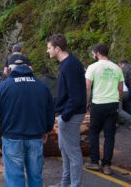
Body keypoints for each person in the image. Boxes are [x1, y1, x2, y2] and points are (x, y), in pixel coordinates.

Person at [0, 56, 55, 186]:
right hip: (35, 137)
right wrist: (47, 129)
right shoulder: (41, 85)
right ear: (30, 68)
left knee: (14, 178)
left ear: (8, 69)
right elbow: (50, 110)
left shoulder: (3, 86)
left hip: (12, 138)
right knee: (35, 176)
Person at [46, 34, 86, 187]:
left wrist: (65, 116)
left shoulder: (70, 65)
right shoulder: (67, 63)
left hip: (72, 115)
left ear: (58, 48)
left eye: (49, 48)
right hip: (67, 113)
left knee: (73, 152)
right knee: (64, 148)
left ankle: (74, 185)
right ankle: (65, 182)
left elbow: (75, 96)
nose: (48, 51)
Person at [84, 44, 124, 175]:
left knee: (94, 132)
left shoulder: (92, 67)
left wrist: (87, 102)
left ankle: (94, 161)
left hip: (98, 103)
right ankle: (107, 165)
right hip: (112, 103)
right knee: (109, 135)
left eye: (93, 54)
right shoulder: (116, 68)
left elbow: (87, 87)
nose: (93, 56)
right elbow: (120, 88)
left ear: (97, 53)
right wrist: (117, 100)